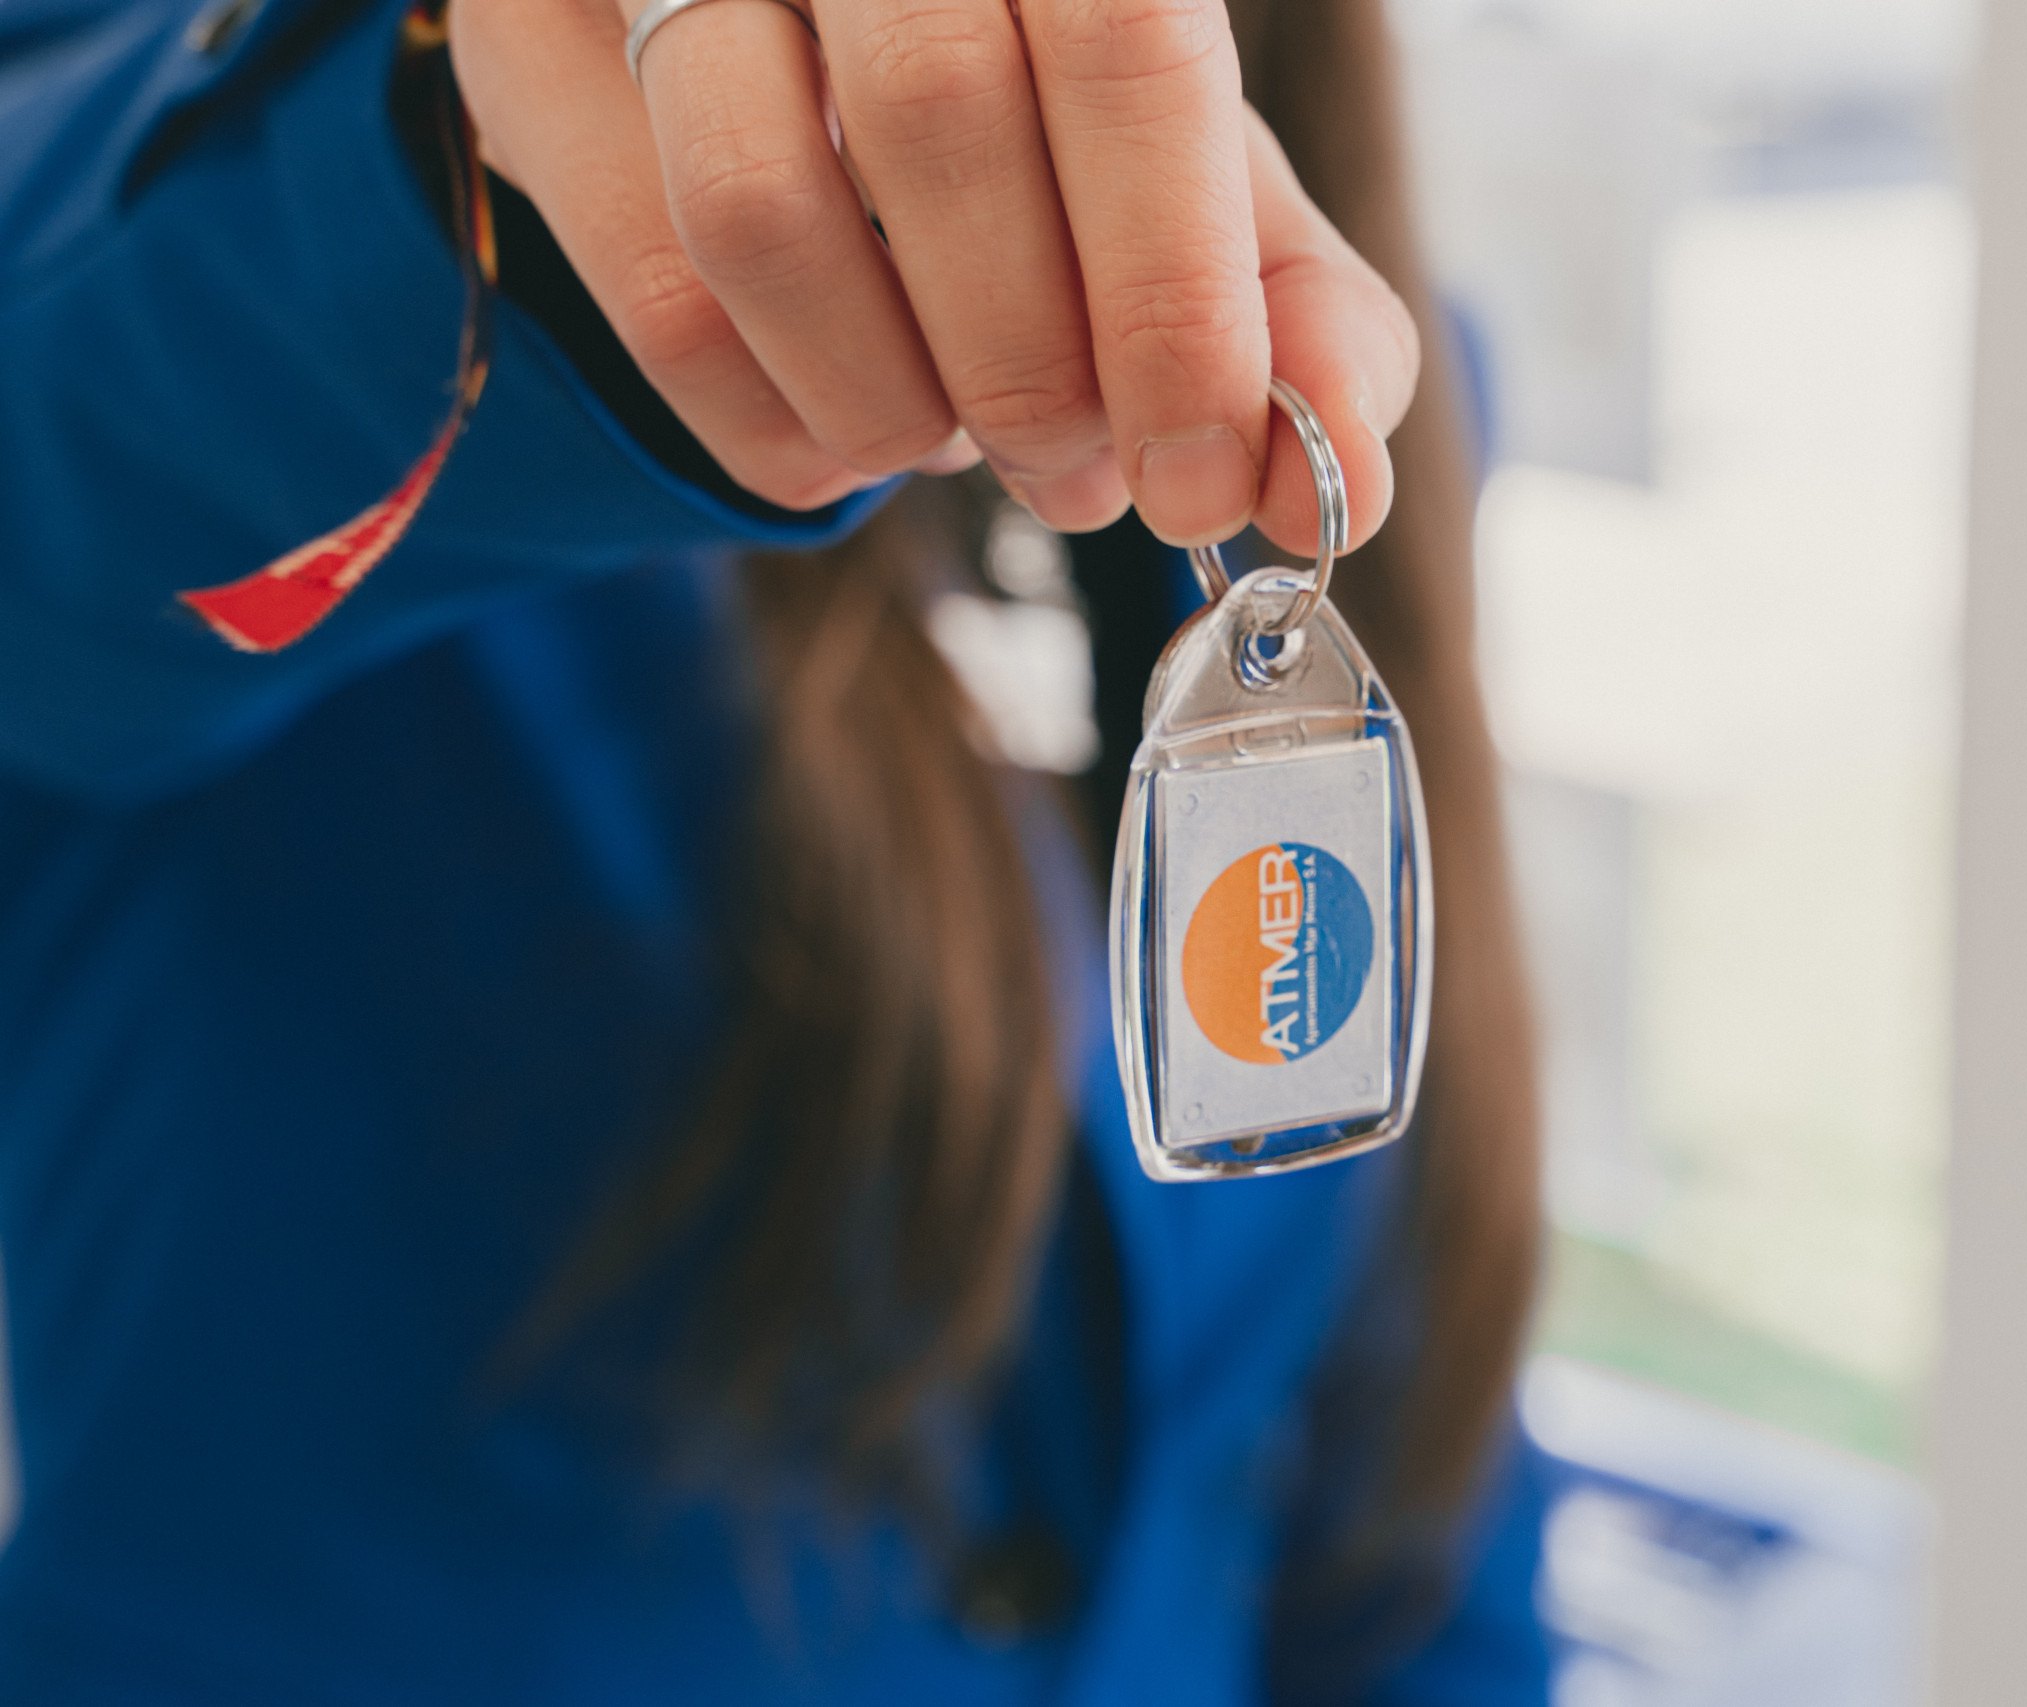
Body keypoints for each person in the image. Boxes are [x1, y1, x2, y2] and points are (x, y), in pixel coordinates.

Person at [0, 0, 1547, 1699]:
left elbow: (1413, 1462)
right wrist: (480, 148)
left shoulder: (1364, 382)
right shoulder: (230, 158)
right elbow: (74, 421)